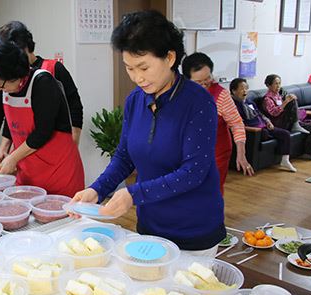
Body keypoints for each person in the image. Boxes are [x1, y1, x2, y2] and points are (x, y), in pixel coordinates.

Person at [72, 10, 225, 255]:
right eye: (129, 68)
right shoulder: (135, 100)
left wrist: (133, 194)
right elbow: (124, 156)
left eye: (143, 67)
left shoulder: (199, 103)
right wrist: (96, 190)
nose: (137, 78)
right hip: (151, 226)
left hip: (194, 230)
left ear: (170, 57)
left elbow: (193, 172)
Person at [0, 40, 84, 197]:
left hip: (60, 171)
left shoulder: (43, 82)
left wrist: (13, 158)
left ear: (12, 74)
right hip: (28, 170)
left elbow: (43, 131)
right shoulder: (1, 86)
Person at [0, 21, 84, 165]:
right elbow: (13, 117)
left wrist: (73, 144)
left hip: (56, 154)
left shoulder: (53, 70)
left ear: (26, 47)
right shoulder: (6, 77)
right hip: (25, 155)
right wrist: (4, 147)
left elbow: (75, 107)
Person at [181, 52, 253, 194]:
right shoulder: (183, 93)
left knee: (211, 191)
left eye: (208, 78)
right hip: (191, 152)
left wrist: (241, 153)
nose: (205, 84)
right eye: (198, 82)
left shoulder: (221, 95)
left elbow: (236, 123)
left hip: (217, 152)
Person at [230, 78, 296, 172]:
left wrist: (267, 121)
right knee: (264, 133)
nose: (245, 91)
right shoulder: (232, 104)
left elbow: (260, 114)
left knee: (285, 134)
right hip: (253, 130)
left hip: (263, 126)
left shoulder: (249, 101)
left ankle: (285, 160)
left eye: (246, 88)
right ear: (233, 90)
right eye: (242, 89)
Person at [262, 74, 311, 160]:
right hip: (278, 123)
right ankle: (295, 124)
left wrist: (290, 98)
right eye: (275, 84)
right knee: (291, 101)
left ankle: (308, 153)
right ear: (269, 85)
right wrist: (286, 102)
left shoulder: (280, 95)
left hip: (288, 121)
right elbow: (273, 113)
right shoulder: (267, 99)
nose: (278, 86)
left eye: (279, 83)